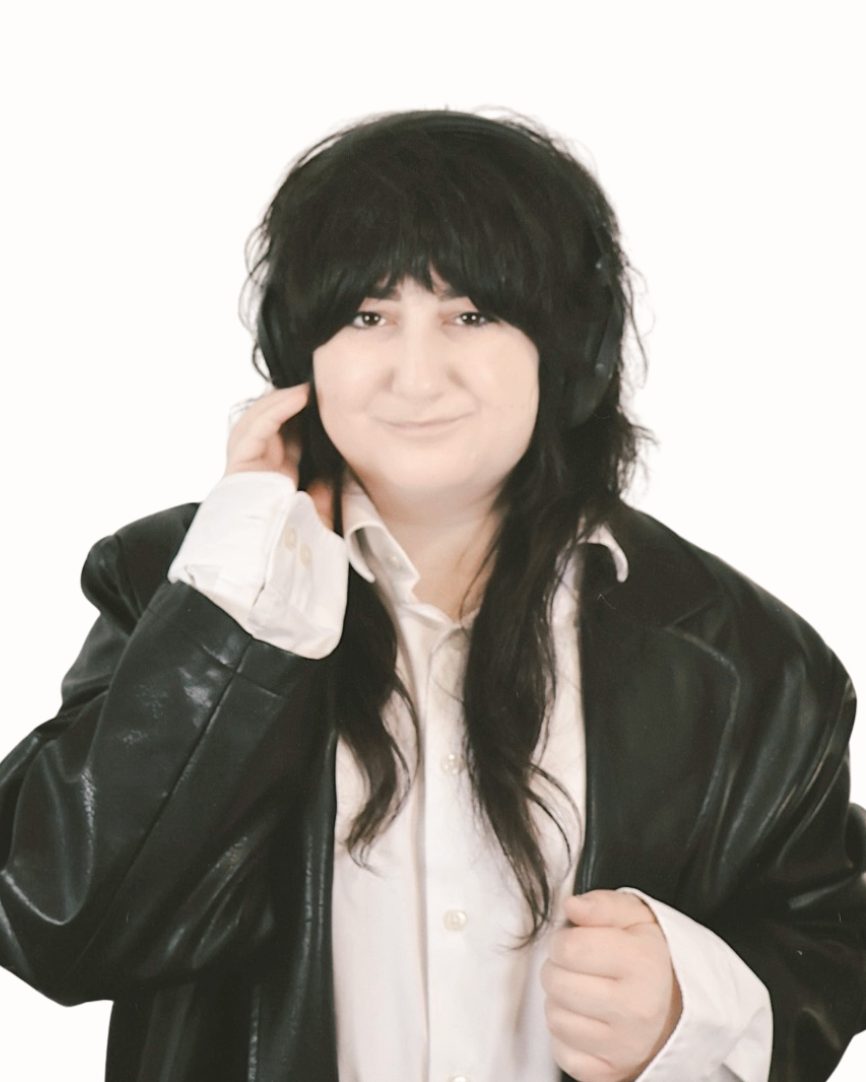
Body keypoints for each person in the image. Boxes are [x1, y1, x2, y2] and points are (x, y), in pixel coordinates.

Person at [0, 108, 863, 1082]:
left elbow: (827, 935)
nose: (415, 376)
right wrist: (236, 610)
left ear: (566, 345)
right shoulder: (181, 582)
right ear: (301, 354)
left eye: (470, 314)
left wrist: (692, 1008)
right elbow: (55, 919)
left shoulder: (749, 658)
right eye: (367, 316)